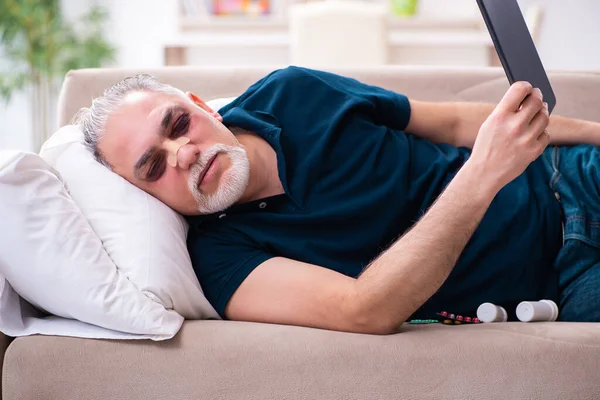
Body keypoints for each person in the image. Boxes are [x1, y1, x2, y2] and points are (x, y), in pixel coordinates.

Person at [74, 66, 600, 334]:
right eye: (154, 167)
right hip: (564, 281)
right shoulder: (219, 260)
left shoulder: (290, 91)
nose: (182, 154)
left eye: (177, 125)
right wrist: (483, 174)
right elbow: (365, 310)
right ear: (144, 195)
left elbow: (453, 121)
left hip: (567, 173)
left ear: (197, 105)